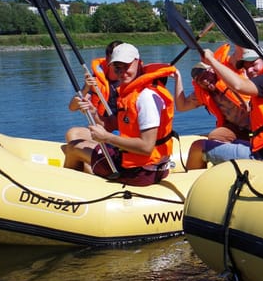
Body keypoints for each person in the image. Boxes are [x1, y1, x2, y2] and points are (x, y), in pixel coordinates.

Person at [63, 43, 180, 186]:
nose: (122, 72)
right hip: (144, 166)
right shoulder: (131, 92)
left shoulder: (145, 97)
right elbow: (113, 124)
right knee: (78, 141)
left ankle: (67, 190)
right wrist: (94, 112)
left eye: (126, 66)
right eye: (117, 68)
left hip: (140, 172)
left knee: (73, 148)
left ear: (139, 63)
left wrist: (107, 137)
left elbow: (146, 147)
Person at [173, 61, 252, 170]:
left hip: (255, 126)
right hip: (236, 128)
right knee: (215, 136)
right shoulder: (203, 94)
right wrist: (178, 78)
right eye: (200, 80)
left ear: (213, 71)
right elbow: (181, 106)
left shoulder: (233, 81)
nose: (205, 81)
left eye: (206, 75)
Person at [63, 40, 122, 173]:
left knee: (85, 160)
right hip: (102, 129)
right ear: (107, 59)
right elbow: (72, 107)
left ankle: (90, 166)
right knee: (72, 133)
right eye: (113, 61)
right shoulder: (97, 80)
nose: (117, 65)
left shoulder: (127, 79)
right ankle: (90, 161)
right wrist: (86, 88)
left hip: (120, 133)